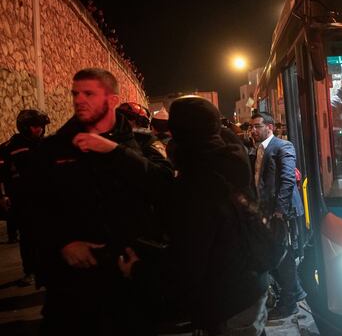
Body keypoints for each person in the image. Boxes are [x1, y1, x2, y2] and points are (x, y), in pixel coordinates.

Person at [31, 68, 174, 335]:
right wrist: (63, 242)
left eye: (89, 94)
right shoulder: (55, 147)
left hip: (131, 277)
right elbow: (34, 208)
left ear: (112, 100)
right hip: (75, 283)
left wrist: (116, 152)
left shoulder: (143, 143)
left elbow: (165, 186)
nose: (79, 100)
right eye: (75, 93)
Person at [119, 96, 268, 335]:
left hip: (227, 299)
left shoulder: (196, 181)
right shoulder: (229, 160)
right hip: (250, 286)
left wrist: (138, 270)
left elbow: (188, 260)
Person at [253, 111, 306, 320]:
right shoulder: (259, 149)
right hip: (267, 210)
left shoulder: (283, 146)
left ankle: (290, 301)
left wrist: (280, 211)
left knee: (282, 256)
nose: (253, 130)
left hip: (281, 211)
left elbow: (287, 179)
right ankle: (295, 293)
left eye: (257, 126)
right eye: (251, 127)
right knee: (279, 254)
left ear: (270, 127)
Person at [0, 109, 50, 285]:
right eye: (36, 126)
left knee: (47, 236)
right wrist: (3, 195)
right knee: (28, 238)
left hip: (45, 199)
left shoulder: (46, 145)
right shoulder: (10, 147)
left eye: (41, 126)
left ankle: (47, 270)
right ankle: (30, 272)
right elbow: (2, 174)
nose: (40, 129)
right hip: (23, 201)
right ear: (25, 127)